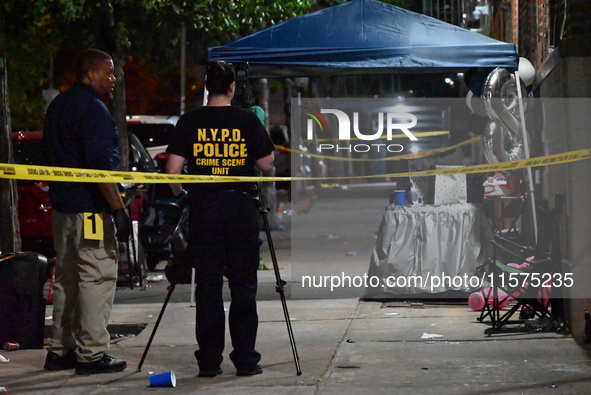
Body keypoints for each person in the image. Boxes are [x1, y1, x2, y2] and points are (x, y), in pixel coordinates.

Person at [166, 61, 275, 377]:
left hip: (205, 212)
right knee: (243, 285)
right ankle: (245, 359)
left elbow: (172, 170)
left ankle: (210, 362)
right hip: (240, 211)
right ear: (232, 88)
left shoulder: (190, 121)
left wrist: (184, 194)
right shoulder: (246, 120)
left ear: (206, 86)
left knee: (208, 286)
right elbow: (266, 163)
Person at [42, 48, 130, 374]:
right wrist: (118, 209)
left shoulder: (59, 106)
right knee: (96, 278)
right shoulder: (93, 110)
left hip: (62, 210)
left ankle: (59, 350)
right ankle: (92, 354)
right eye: (108, 73)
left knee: (66, 280)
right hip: (90, 213)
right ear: (91, 73)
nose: (113, 80)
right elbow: (100, 170)